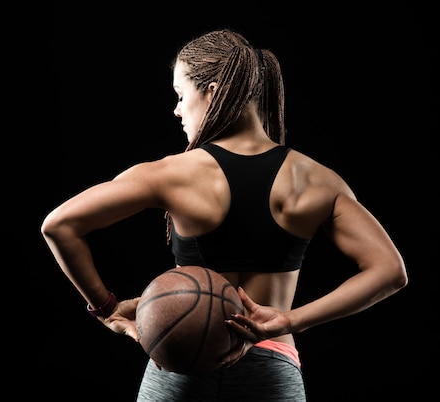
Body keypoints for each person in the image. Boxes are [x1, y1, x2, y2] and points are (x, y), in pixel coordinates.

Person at [40, 28, 408, 401]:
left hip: (179, 366)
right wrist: (291, 319)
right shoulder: (315, 180)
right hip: (271, 369)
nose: (177, 109)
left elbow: (59, 225)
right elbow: (390, 272)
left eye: (181, 95)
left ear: (211, 92)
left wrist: (107, 310)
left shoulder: (172, 174)